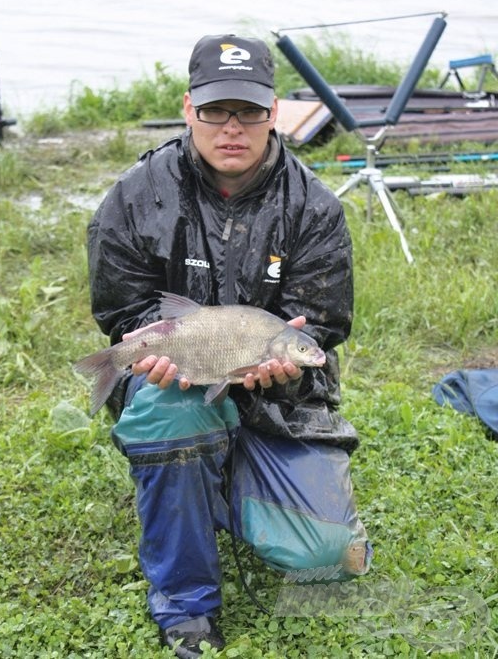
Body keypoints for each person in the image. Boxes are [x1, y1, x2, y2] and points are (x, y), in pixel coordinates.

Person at [86, 35, 372, 657]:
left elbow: (320, 329)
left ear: (275, 112)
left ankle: (214, 487)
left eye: (249, 111)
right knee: (173, 411)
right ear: (190, 109)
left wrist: (287, 371)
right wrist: (147, 352)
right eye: (217, 111)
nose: (233, 128)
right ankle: (186, 608)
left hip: (279, 395)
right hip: (177, 380)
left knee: (322, 554)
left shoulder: (314, 207)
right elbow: (122, 313)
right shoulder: (135, 197)